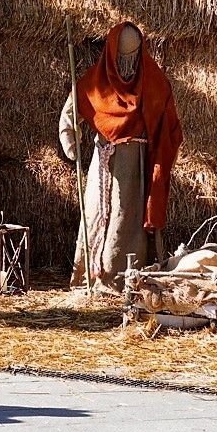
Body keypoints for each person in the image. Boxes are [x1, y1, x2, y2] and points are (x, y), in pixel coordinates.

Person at [59, 21, 182, 292]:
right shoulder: (94, 82)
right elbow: (70, 114)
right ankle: (90, 275)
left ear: (141, 52)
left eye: (133, 55)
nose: (128, 62)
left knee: (127, 219)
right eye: (122, 56)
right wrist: (71, 143)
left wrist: (159, 154)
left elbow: (170, 128)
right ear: (111, 54)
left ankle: (123, 277)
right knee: (95, 214)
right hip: (102, 163)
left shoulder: (154, 82)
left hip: (135, 166)